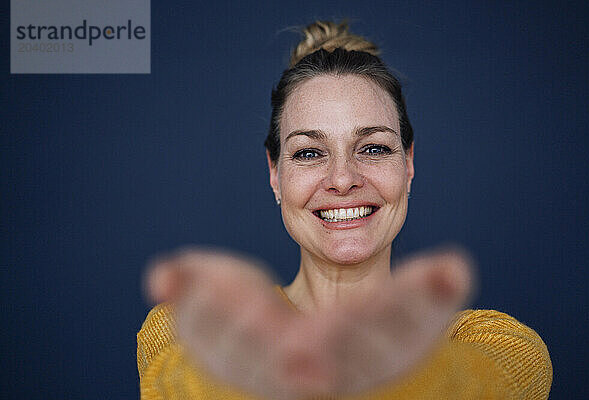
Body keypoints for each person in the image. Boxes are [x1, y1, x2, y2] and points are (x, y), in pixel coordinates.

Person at [137, 21, 552, 399]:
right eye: (310, 152)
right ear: (275, 174)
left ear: (408, 163)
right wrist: (244, 361)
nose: (342, 179)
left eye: (373, 148)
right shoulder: (189, 330)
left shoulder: (499, 344)